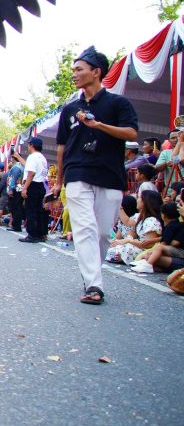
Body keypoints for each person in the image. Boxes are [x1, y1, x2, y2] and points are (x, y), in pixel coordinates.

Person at [51, 46, 139, 305]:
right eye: (73, 70)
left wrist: (98, 125)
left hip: (109, 175)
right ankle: (94, 284)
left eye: (79, 69)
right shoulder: (70, 109)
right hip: (77, 173)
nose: (74, 74)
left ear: (96, 72)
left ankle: (92, 275)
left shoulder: (118, 103)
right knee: (85, 229)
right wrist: (58, 181)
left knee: (102, 234)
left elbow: (131, 133)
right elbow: (62, 147)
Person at [132, 202, 184, 273]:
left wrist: (152, 253)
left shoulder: (172, 226)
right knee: (155, 255)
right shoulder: (177, 224)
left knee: (159, 248)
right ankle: (149, 265)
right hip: (178, 253)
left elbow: (169, 243)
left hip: (181, 252)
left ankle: (148, 264)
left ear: (163, 215)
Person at [19, 137, 49, 243]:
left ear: (31, 145)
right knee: (38, 211)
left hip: (33, 185)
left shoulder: (32, 157)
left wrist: (25, 188)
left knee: (30, 211)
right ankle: (40, 234)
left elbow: (31, 173)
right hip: (40, 185)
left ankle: (32, 234)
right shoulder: (42, 158)